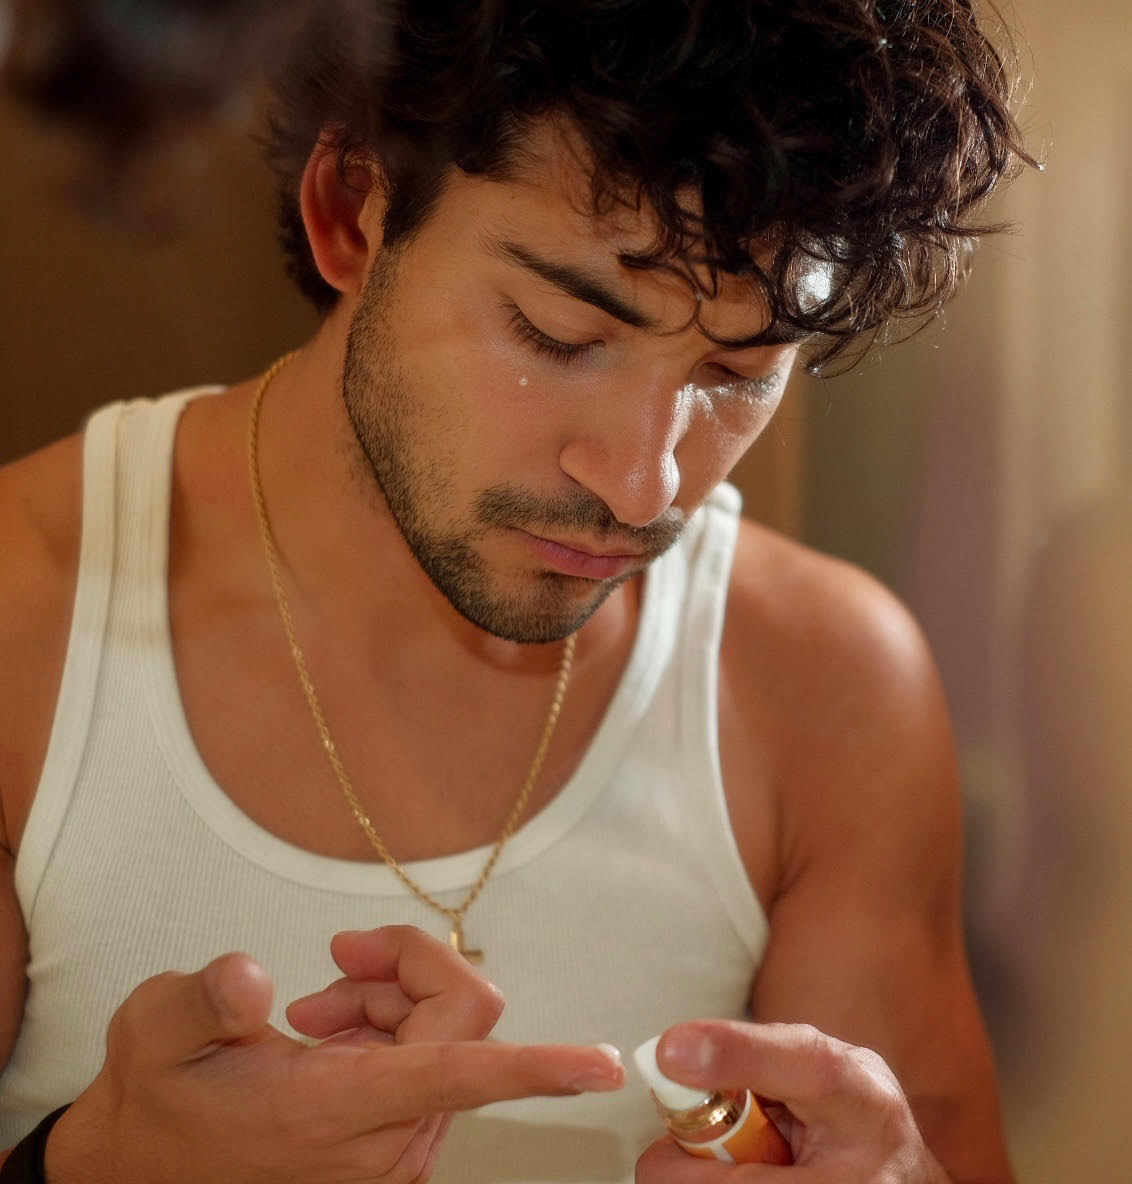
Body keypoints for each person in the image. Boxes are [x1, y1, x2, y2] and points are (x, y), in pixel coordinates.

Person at [0, 1, 1035, 1181]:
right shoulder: (22, 614)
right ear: (353, 212)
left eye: (737, 372)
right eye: (556, 332)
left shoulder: (825, 683)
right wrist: (87, 1164)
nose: (643, 486)